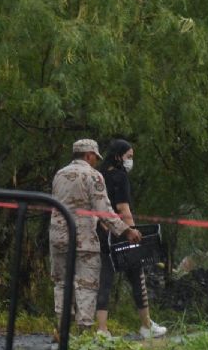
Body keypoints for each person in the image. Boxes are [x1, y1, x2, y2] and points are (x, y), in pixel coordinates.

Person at [49, 139, 141, 330]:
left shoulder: (59, 174)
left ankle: (61, 328)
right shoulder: (93, 176)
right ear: (89, 155)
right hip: (83, 238)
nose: (96, 162)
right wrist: (126, 230)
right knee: (86, 285)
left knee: (62, 283)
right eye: (95, 158)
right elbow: (104, 211)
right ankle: (84, 331)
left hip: (57, 237)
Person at [94, 139, 167, 339]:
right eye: (129, 157)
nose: (130, 161)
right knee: (137, 277)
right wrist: (132, 231)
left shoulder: (99, 176)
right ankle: (145, 325)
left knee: (105, 280)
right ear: (119, 156)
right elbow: (123, 208)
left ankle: (101, 329)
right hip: (121, 234)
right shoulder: (120, 176)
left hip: (101, 233)